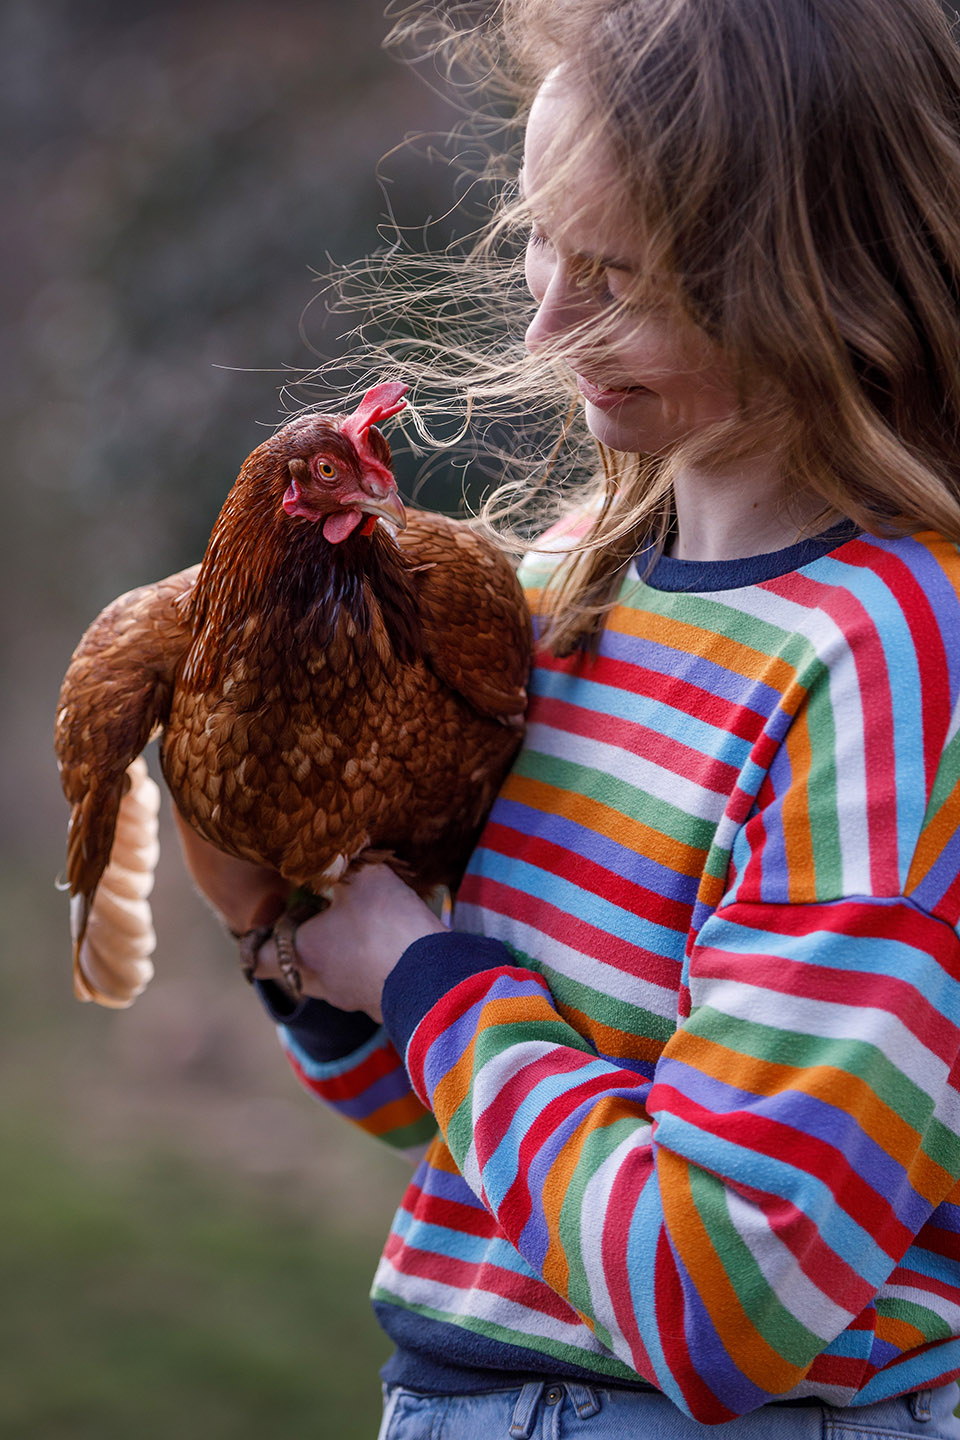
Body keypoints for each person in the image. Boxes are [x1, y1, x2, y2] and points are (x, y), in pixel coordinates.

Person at [176, 0, 960, 1433]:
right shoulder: (562, 582)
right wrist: (294, 946)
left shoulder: (890, 663)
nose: (543, 317)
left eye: (617, 278)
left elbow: (726, 1304)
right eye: (540, 235)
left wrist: (419, 977)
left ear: (814, 284)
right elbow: (454, 1123)